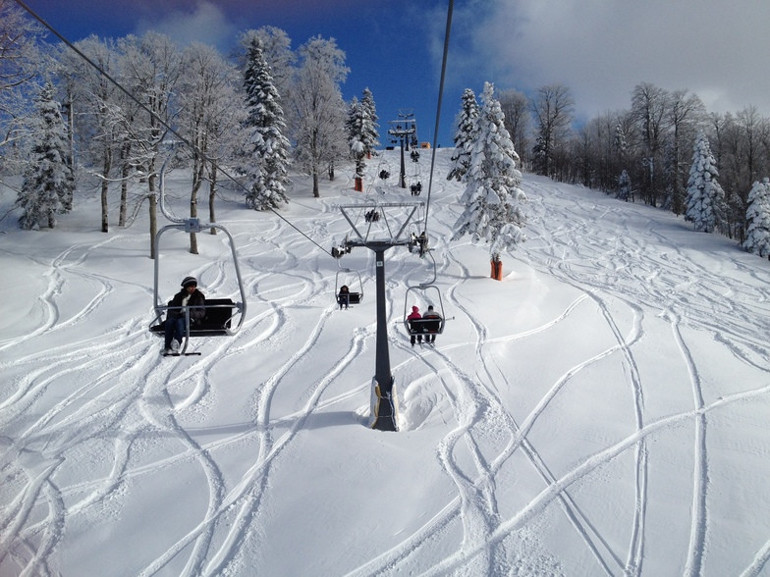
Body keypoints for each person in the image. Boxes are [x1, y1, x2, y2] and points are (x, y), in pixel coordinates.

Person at [163, 276, 206, 354]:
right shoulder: (178, 297)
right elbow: (171, 310)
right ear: (186, 287)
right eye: (190, 286)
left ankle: (177, 344)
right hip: (178, 317)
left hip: (191, 319)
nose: (192, 288)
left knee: (180, 321)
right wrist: (176, 314)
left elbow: (201, 312)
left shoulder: (198, 297)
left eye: (194, 286)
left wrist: (189, 314)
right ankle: (167, 347)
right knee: (169, 322)